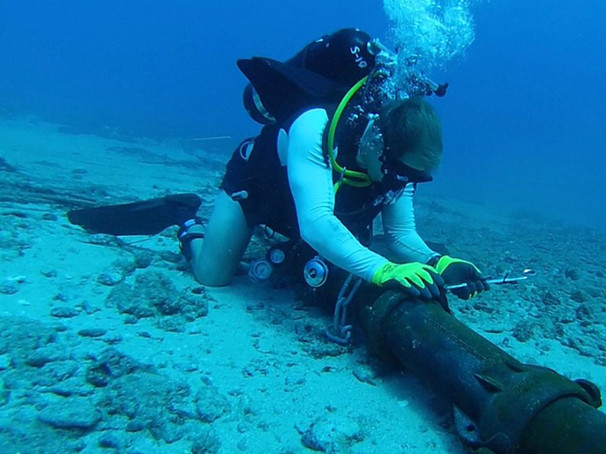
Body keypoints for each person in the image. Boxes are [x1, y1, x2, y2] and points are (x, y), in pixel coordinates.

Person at [71, 28, 489, 302]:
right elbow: (318, 223)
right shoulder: (315, 125)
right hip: (261, 188)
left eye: (417, 179)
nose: (406, 184)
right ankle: (185, 219)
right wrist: (382, 271)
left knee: (322, 258)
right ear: (379, 145)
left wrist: (440, 262)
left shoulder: (399, 168)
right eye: (404, 175)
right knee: (213, 276)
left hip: (312, 207)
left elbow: (401, 234)